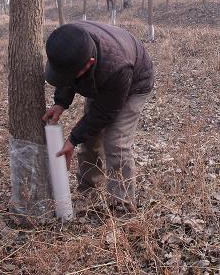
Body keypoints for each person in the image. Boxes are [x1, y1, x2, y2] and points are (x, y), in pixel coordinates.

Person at [42, 21, 154, 212]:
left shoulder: (116, 68)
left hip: (134, 83)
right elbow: (65, 74)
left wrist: (73, 139)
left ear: (89, 63)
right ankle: (88, 191)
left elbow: (104, 112)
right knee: (90, 140)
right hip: (103, 81)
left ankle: (122, 205)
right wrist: (61, 102)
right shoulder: (70, 40)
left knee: (115, 143)